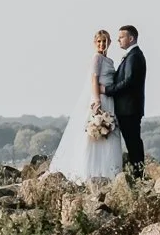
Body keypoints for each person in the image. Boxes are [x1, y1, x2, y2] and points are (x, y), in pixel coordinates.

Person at [51, 29, 126, 182]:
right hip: (100, 99)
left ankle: (109, 172)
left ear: (109, 42)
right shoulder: (96, 58)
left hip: (109, 101)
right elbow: (94, 80)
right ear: (95, 43)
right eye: (99, 41)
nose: (102, 44)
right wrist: (97, 100)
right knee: (94, 136)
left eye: (104, 41)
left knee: (109, 134)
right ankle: (89, 172)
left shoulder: (109, 61)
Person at [104, 24, 148, 171]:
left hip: (129, 109)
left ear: (131, 38)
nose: (118, 40)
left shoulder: (134, 56)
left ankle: (138, 173)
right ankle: (138, 172)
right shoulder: (131, 55)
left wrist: (107, 90)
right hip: (127, 108)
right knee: (132, 142)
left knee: (133, 142)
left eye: (121, 37)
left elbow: (128, 81)